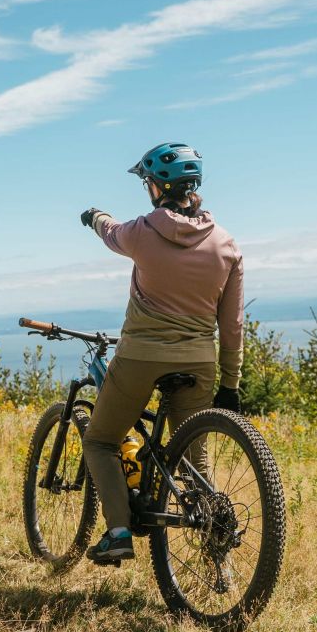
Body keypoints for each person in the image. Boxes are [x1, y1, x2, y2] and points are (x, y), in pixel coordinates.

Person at [78, 141, 244, 564]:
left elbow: (110, 233)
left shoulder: (144, 231)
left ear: (156, 186)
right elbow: (232, 326)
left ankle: (118, 532)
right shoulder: (226, 245)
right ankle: (215, 551)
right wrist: (230, 384)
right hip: (200, 361)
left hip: (140, 357)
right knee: (194, 458)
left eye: (148, 182)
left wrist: (95, 216)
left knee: (99, 440)